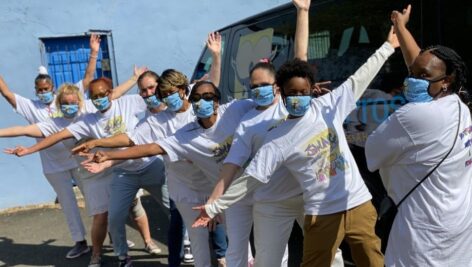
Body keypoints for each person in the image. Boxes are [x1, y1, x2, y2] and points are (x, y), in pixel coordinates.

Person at [193, 25, 399, 266]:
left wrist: (387, 47)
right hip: (315, 211)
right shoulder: (276, 138)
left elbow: (359, 78)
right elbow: (250, 178)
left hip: (356, 203)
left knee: (368, 260)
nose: (298, 97)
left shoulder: (329, 106)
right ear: (283, 93)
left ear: (311, 90)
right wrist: (215, 205)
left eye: (303, 92)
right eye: (293, 93)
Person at [197, 0, 342, 266]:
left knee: (330, 253)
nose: (258, 90)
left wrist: (303, 12)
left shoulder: (293, 106)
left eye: (264, 85)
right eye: (254, 86)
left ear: (278, 86)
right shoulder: (248, 120)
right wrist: (213, 202)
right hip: (272, 201)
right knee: (268, 259)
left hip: (307, 192)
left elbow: (301, 58)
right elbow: (231, 166)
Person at [365, 5, 472, 266]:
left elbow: (371, 154)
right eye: (411, 75)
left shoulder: (411, 116)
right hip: (458, 237)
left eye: (421, 77)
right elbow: (423, 65)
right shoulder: (459, 105)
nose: (412, 81)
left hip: (421, 245)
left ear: (445, 80)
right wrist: (401, 27)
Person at [6, 75, 148, 267]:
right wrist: (29, 150)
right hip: (90, 173)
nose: (69, 106)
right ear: (59, 103)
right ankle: (96, 254)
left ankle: (135, 243)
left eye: (73, 102)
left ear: (80, 102)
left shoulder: (88, 111)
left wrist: (134, 78)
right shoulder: (54, 123)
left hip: (112, 166)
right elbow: (23, 130)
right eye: (65, 103)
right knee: (100, 215)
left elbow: (114, 94)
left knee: (126, 207)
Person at [0, 34, 103, 259]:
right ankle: (80, 242)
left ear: (53, 87)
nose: (44, 92)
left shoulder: (65, 98)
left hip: (79, 159)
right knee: (68, 204)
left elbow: (87, 79)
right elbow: (7, 94)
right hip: (54, 165)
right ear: (36, 90)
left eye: (47, 88)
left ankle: (109, 236)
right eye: (40, 90)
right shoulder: (30, 107)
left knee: (96, 198)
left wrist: (94, 52)